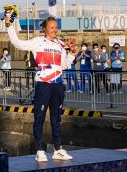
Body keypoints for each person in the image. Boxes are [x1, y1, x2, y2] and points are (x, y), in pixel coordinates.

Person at [6, 15, 77, 162]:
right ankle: (39, 150)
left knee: (56, 119)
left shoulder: (61, 44)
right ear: (44, 28)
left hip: (58, 84)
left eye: (56, 27)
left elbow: (63, 65)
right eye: (51, 27)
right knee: (39, 117)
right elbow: (17, 43)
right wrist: (9, 27)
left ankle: (58, 149)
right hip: (43, 83)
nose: (54, 30)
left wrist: (71, 55)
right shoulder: (37, 41)